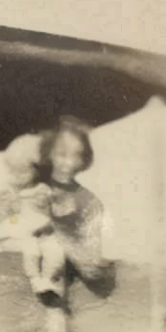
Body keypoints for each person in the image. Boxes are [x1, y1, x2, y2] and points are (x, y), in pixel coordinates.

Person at [0, 133, 67, 301]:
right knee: (20, 243)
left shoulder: (45, 190)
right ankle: (36, 279)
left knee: (54, 249)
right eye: (13, 172)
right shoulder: (6, 191)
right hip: (11, 235)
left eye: (23, 173)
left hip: (38, 235)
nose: (17, 178)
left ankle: (48, 279)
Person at [43, 118, 109, 283]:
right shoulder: (31, 190)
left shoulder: (88, 201)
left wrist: (71, 250)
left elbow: (92, 262)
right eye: (61, 154)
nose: (69, 162)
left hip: (70, 283)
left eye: (77, 155)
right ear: (48, 153)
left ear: (85, 158)